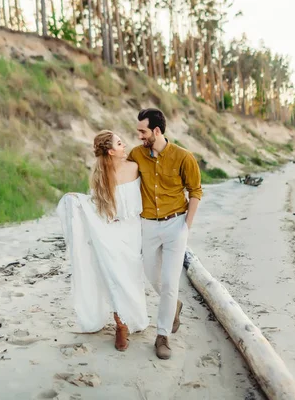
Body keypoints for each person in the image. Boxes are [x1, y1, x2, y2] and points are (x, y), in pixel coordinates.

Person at [56, 130, 149, 351]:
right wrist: (76, 200)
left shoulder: (135, 167)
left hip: (133, 230)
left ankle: (133, 317)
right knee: (114, 277)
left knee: (132, 276)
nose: (124, 145)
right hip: (109, 231)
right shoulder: (100, 175)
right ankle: (121, 325)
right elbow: (95, 205)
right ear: (110, 151)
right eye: (119, 143)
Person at [127, 108, 203, 360]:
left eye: (142, 131)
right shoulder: (136, 154)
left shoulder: (184, 157)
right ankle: (175, 307)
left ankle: (162, 336)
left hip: (175, 224)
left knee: (170, 282)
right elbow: (123, 180)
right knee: (152, 276)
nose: (138, 136)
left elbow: (195, 191)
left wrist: (186, 225)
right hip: (147, 225)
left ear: (156, 131)